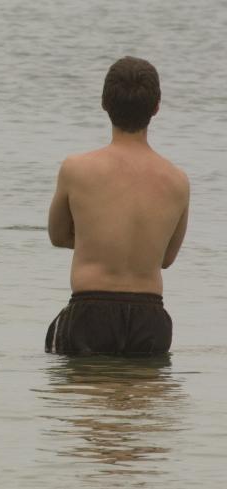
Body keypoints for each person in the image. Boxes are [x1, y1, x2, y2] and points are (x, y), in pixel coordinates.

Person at [46, 56, 189, 356]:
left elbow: (58, 236)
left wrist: (96, 241)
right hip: (151, 317)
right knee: (143, 400)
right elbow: (166, 258)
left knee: (89, 400)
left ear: (104, 103)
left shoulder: (77, 169)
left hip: (91, 310)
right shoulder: (177, 181)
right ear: (156, 107)